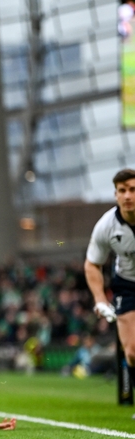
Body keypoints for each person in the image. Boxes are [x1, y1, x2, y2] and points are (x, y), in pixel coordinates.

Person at [85, 168, 135, 418]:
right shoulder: (106, 225)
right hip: (127, 284)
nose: (128, 196)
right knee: (133, 352)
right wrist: (99, 299)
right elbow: (92, 263)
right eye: (122, 191)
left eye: (133, 190)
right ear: (115, 195)